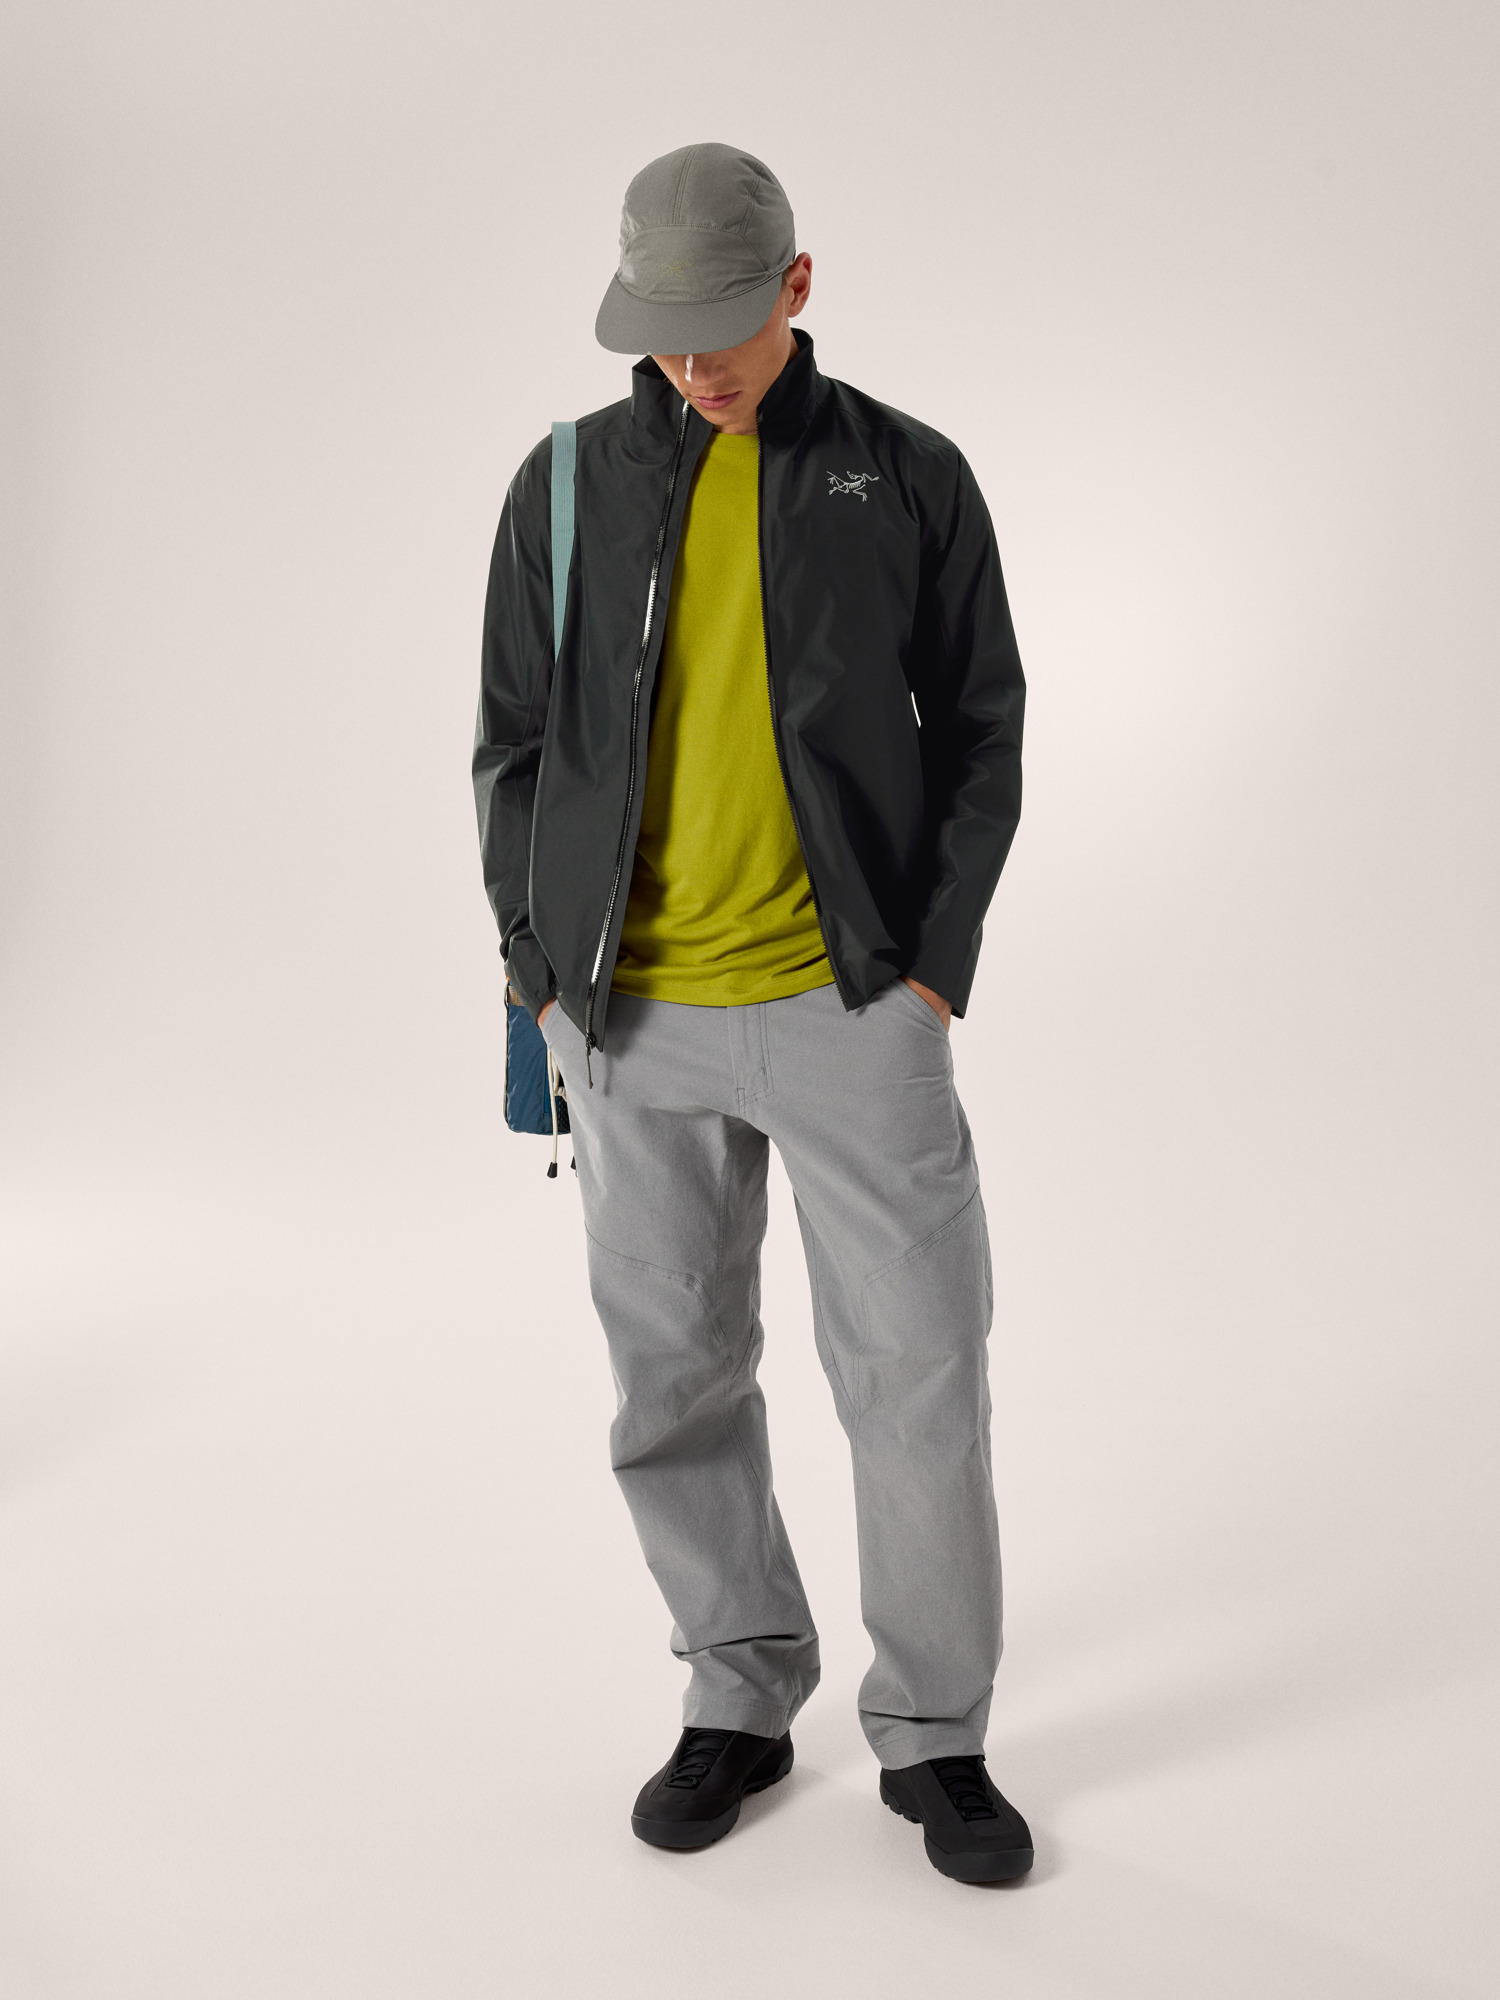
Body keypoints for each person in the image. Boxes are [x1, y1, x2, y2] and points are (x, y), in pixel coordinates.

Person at [473, 143, 1030, 1884]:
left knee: (919, 1377)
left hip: (853, 1000)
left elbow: (986, 726)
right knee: (672, 1383)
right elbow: (511, 744)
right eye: (665, 332)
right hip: (628, 1022)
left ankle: (936, 1735)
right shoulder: (566, 483)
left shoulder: (906, 473)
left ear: (798, 284)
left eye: (726, 324)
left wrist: (932, 966)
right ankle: (738, 1688)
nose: (696, 365)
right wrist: (537, 970)